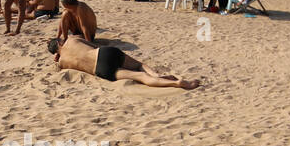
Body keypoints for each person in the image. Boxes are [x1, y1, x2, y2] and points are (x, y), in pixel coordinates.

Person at [49, 34, 199, 90]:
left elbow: (60, 67)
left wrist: (58, 59)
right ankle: (157, 75)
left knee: (140, 77)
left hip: (100, 70)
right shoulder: (72, 39)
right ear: (60, 41)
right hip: (103, 53)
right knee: (140, 65)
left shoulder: (62, 63)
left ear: (56, 52)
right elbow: (94, 45)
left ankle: (176, 84)